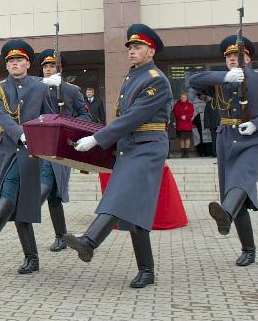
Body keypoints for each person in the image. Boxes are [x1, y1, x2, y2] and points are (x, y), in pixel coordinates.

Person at [63, 24, 171, 288]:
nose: (132, 52)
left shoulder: (156, 79)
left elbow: (135, 116)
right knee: (135, 209)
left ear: (151, 50)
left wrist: (98, 139)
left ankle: (89, 241)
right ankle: (147, 270)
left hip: (148, 145)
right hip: (130, 145)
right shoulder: (133, 76)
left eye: (138, 47)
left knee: (120, 195)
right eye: (130, 48)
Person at [187, 36, 258, 267]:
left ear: (248, 58)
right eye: (229, 57)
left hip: (253, 140)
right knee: (235, 195)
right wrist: (224, 76)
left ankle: (225, 213)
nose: (233, 59)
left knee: (241, 180)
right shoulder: (221, 80)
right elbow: (193, 81)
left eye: (238, 56)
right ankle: (248, 249)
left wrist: (257, 123)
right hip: (226, 140)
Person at [0, 40, 49, 275]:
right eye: (10, 61)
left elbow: (51, 114)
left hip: (31, 147)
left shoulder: (42, 86)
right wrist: (20, 133)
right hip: (6, 145)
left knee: (12, 189)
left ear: (27, 64)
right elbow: (0, 116)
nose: (15, 63)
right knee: (16, 199)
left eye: (19, 60)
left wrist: (62, 87)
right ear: (7, 65)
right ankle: (31, 258)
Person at [37, 49, 92, 252]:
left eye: (52, 66)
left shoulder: (71, 90)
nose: (48, 69)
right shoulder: (37, 89)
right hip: (41, 145)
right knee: (54, 194)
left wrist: (67, 125)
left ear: (60, 69)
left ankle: (24, 212)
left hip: (61, 147)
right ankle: (60, 237)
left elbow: (85, 116)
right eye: (45, 66)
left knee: (50, 184)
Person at [172, 92, 194, 158]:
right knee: (181, 139)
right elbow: (175, 112)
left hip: (187, 125)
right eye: (182, 97)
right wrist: (180, 116)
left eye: (184, 97)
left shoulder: (190, 105)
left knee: (187, 138)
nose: (183, 98)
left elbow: (191, 113)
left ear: (186, 98)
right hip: (180, 124)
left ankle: (186, 153)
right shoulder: (176, 105)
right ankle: (182, 153)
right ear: (180, 98)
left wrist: (186, 117)